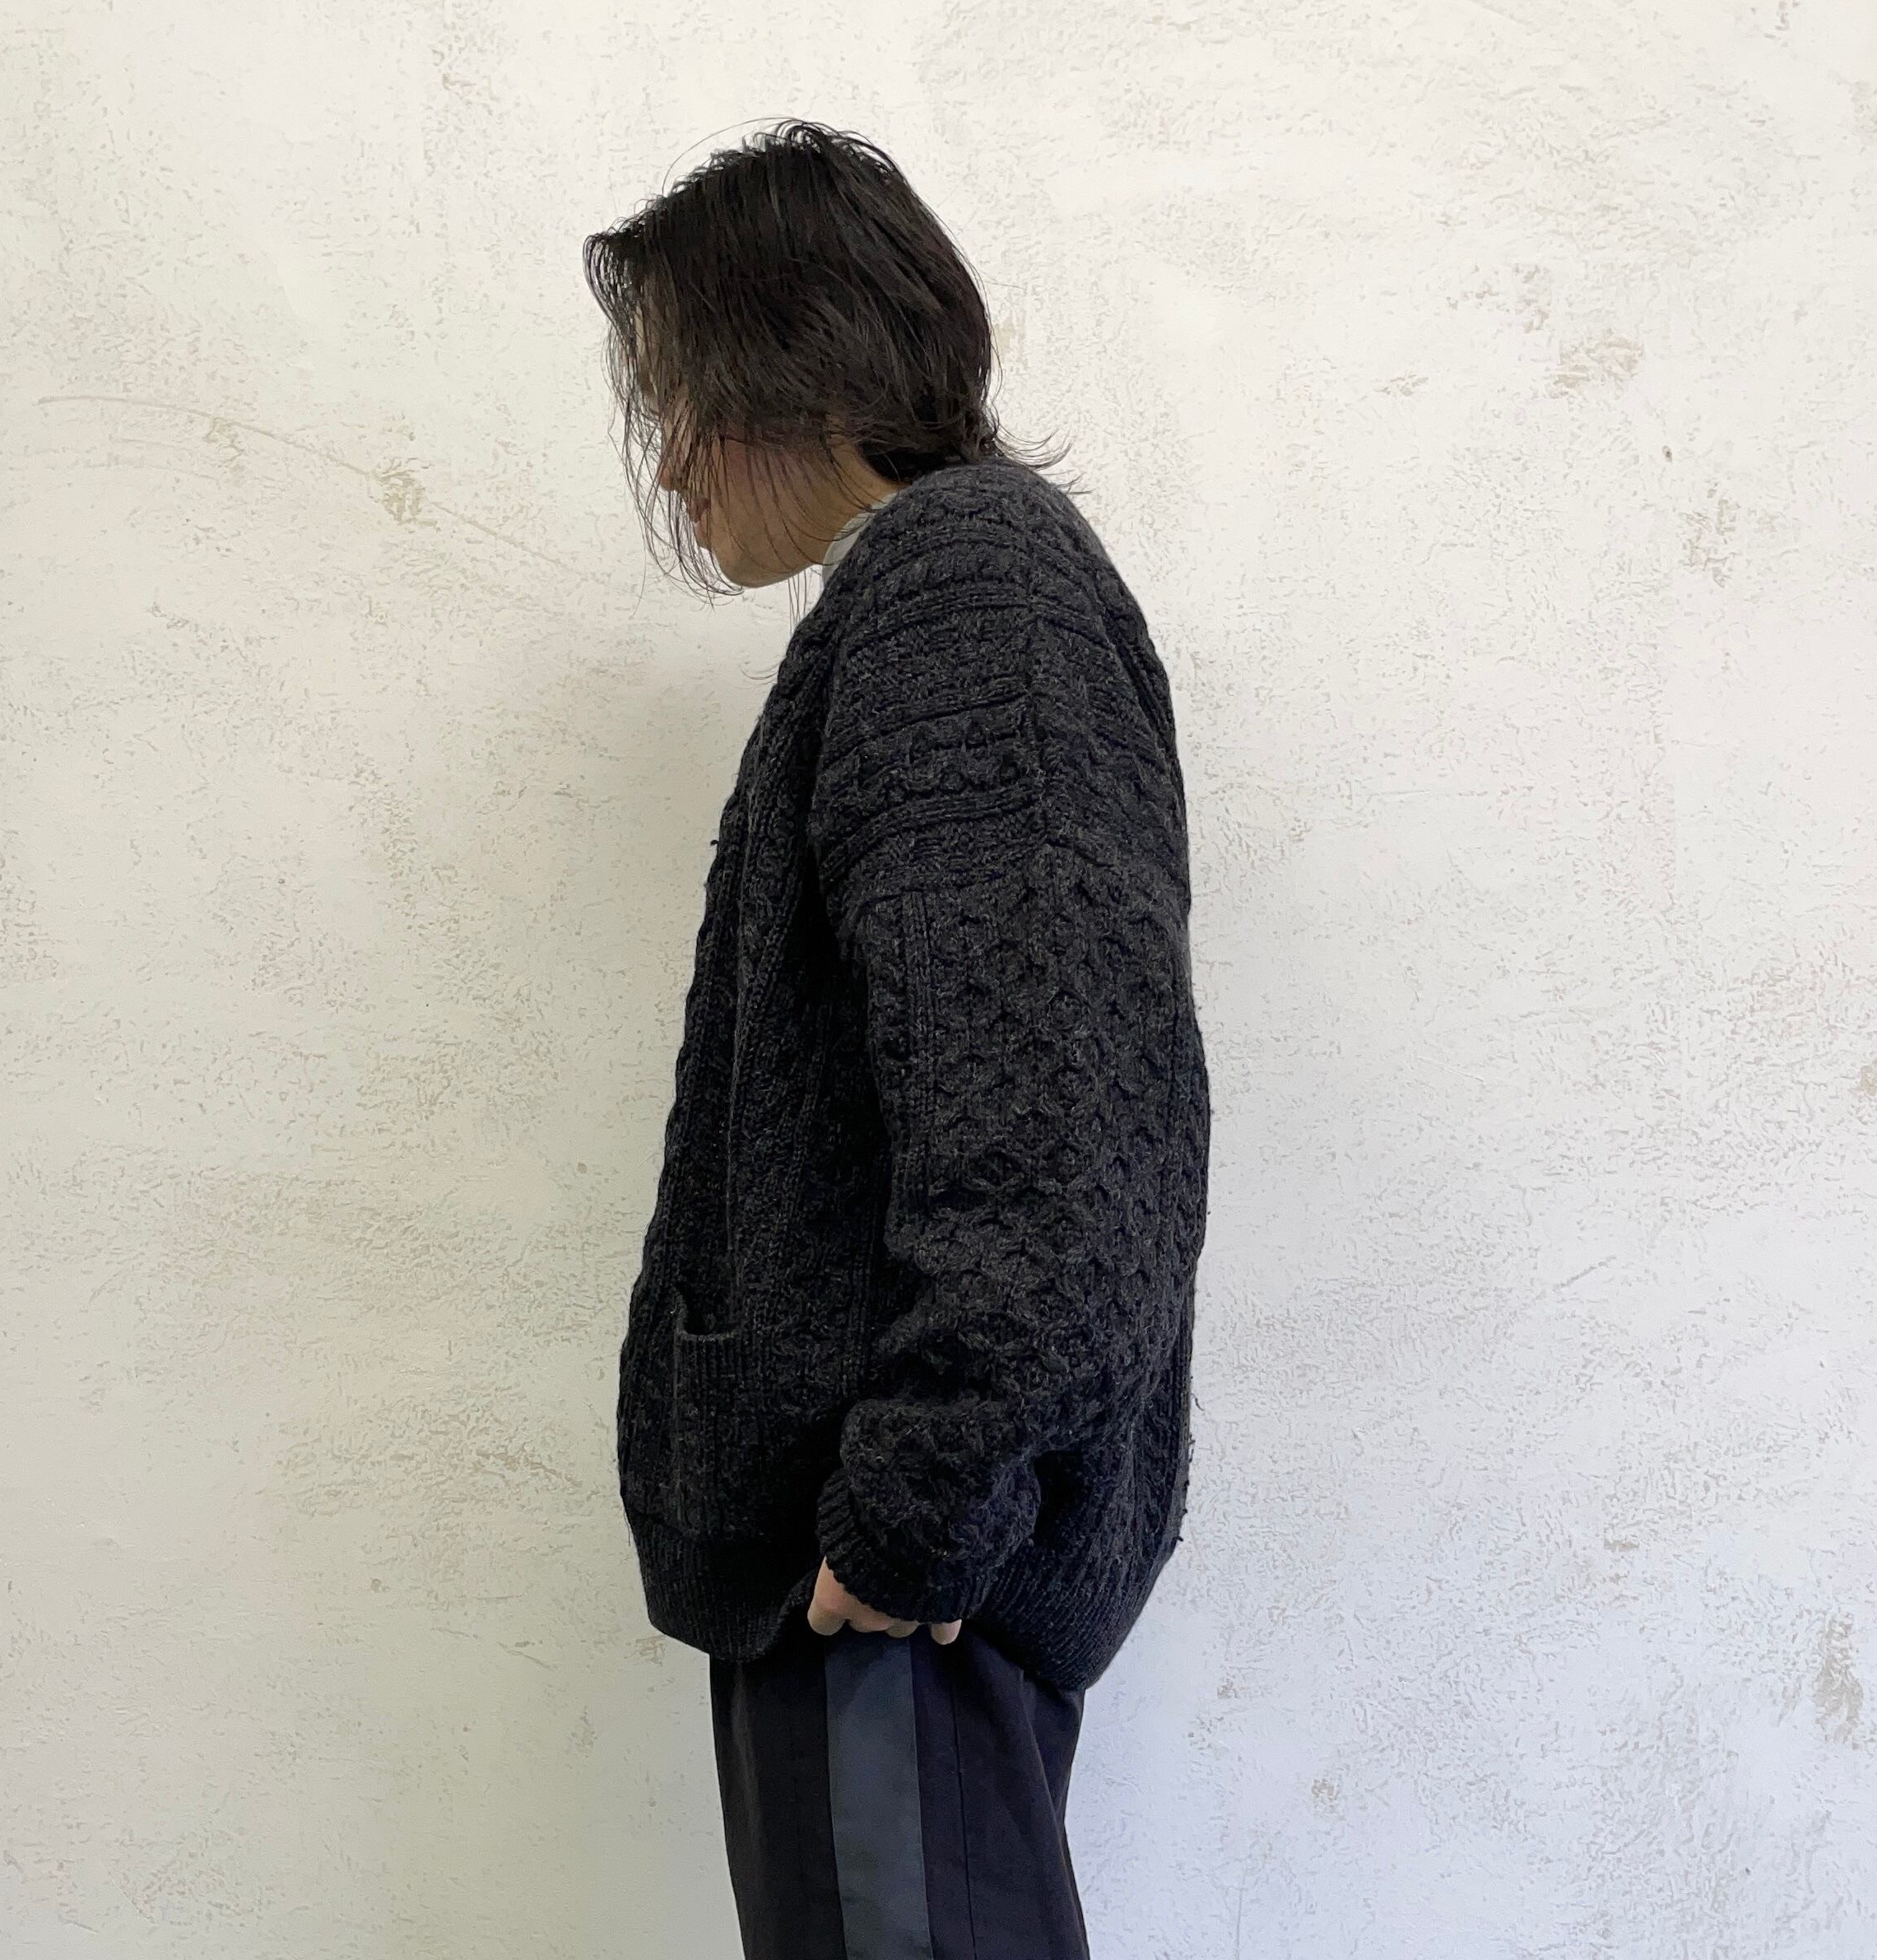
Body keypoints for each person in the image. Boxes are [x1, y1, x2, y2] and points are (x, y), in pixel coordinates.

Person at [584, 118, 1211, 1960]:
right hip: (886, 1585)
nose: (672, 460)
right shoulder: (953, 594)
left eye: (682, 398)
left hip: (894, 1602)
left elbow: (1057, 1136)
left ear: (801, 364)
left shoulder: (967, 593)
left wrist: (909, 1512)